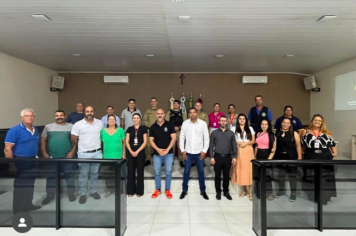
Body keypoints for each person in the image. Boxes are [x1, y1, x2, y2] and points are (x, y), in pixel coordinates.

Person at [4, 108, 41, 214]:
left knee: (30, 183)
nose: (30, 117)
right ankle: (18, 209)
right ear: (22, 117)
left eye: (32, 116)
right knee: (20, 185)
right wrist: (11, 164)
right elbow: (7, 148)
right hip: (20, 161)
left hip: (33, 160)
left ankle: (28, 204)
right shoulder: (14, 130)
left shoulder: (35, 129)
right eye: (27, 116)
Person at [41, 110, 77, 205]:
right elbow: (43, 140)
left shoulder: (71, 126)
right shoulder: (48, 127)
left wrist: (72, 152)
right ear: (54, 117)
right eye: (57, 115)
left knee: (69, 176)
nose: (59, 117)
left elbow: (75, 141)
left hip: (67, 157)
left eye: (61, 115)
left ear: (65, 116)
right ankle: (49, 196)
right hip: (52, 157)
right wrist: (44, 153)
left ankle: (71, 194)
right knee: (51, 177)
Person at [301, 114, 337, 204]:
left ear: (322, 123)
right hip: (310, 156)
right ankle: (313, 195)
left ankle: (325, 197)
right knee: (311, 177)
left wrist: (331, 154)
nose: (317, 122)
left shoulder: (327, 132)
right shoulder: (305, 131)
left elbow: (333, 146)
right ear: (312, 121)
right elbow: (302, 145)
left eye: (319, 121)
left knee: (324, 177)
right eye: (315, 120)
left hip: (324, 157)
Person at [71, 106, 103, 204]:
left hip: (97, 153)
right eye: (87, 111)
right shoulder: (78, 124)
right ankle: (83, 193)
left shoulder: (100, 123)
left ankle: (93, 191)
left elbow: (102, 136)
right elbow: (73, 138)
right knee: (83, 174)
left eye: (91, 111)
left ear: (94, 112)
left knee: (94, 174)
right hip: (83, 154)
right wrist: (83, 145)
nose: (89, 113)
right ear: (84, 113)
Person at [179, 108, 210, 200]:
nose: (192, 114)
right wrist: (182, 150)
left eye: (194, 112)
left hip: (199, 152)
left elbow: (206, 138)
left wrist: (204, 151)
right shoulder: (185, 123)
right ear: (189, 114)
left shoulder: (203, 124)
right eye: (190, 112)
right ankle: (184, 190)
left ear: (197, 113)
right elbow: (182, 137)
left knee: (201, 172)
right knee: (186, 171)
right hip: (188, 152)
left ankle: (203, 191)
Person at [149, 109, 176, 199]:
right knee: (157, 172)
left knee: (168, 172)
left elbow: (173, 138)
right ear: (156, 115)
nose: (160, 115)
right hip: (157, 154)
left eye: (161, 113)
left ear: (164, 114)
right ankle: (158, 189)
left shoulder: (170, 125)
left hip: (168, 154)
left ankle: (167, 190)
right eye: (158, 113)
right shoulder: (152, 127)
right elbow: (151, 141)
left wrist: (167, 150)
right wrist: (158, 150)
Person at [274, 118, 302, 202]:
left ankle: (293, 193)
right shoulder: (277, 133)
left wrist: (299, 157)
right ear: (281, 123)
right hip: (280, 157)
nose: (285, 124)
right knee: (281, 175)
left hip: (291, 157)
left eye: (287, 123)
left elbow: (298, 146)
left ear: (290, 125)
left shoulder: (294, 133)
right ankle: (281, 190)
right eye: (284, 122)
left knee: (292, 176)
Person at [209, 116, 237, 200]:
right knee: (217, 175)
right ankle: (218, 192)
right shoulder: (214, 133)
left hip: (228, 157)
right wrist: (211, 157)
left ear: (227, 122)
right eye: (221, 121)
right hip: (217, 157)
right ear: (219, 122)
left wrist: (235, 157)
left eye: (225, 121)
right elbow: (211, 146)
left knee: (226, 175)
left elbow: (234, 146)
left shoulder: (231, 133)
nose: (223, 122)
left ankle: (226, 191)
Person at [231, 113, 256, 201]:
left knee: (249, 171)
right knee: (241, 170)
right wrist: (239, 143)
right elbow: (232, 140)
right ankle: (244, 190)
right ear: (238, 120)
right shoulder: (233, 129)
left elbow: (253, 140)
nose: (242, 120)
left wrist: (245, 143)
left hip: (248, 150)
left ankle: (250, 192)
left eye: (243, 118)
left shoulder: (250, 128)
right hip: (239, 151)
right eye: (240, 118)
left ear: (246, 120)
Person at [100, 114, 126, 198]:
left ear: (116, 121)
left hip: (118, 156)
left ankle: (118, 190)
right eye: (109, 119)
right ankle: (109, 190)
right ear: (107, 121)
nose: (111, 121)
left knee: (118, 174)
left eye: (113, 119)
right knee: (107, 175)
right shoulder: (103, 131)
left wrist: (123, 153)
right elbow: (101, 143)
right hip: (106, 156)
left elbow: (124, 143)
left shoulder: (120, 130)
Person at [126, 113, 147, 197]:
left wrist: (137, 151)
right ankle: (130, 191)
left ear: (140, 119)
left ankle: (139, 191)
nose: (136, 119)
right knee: (130, 171)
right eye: (134, 118)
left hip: (140, 152)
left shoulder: (143, 129)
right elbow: (126, 141)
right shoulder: (129, 129)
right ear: (132, 119)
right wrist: (131, 151)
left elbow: (145, 142)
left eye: (137, 118)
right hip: (130, 153)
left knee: (140, 172)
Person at [254, 119, 276, 200]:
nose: (264, 126)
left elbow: (273, 148)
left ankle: (270, 193)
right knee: (259, 175)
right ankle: (259, 192)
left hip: (267, 155)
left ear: (268, 125)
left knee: (267, 175)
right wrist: (255, 156)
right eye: (262, 124)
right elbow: (257, 146)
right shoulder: (258, 134)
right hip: (259, 155)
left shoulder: (271, 135)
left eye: (265, 124)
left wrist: (269, 160)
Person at [165, 99, 188, 167]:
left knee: (180, 146)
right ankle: (170, 160)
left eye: (177, 103)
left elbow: (186, 122)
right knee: (171, 146)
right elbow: (166, 122)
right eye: (174, 103)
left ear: (179, 105)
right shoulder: (169, 112)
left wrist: (179, 127)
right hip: (171, 132)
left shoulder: (183, 113)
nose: (175, 105)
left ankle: (181, 160)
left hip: (180, 131)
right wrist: (172, 127)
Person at [143, 97, 158, 166]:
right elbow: (144, 120)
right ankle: (148, 159)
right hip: (150, 130)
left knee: (159, 144)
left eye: (155, 101)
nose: (153, 103)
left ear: (157, 102)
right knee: (148, 145)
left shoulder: (159, 111)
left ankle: (159, 159)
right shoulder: (147, 111)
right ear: (150, 103)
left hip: (158, 130)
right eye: (152, 101)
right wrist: (149, 125)